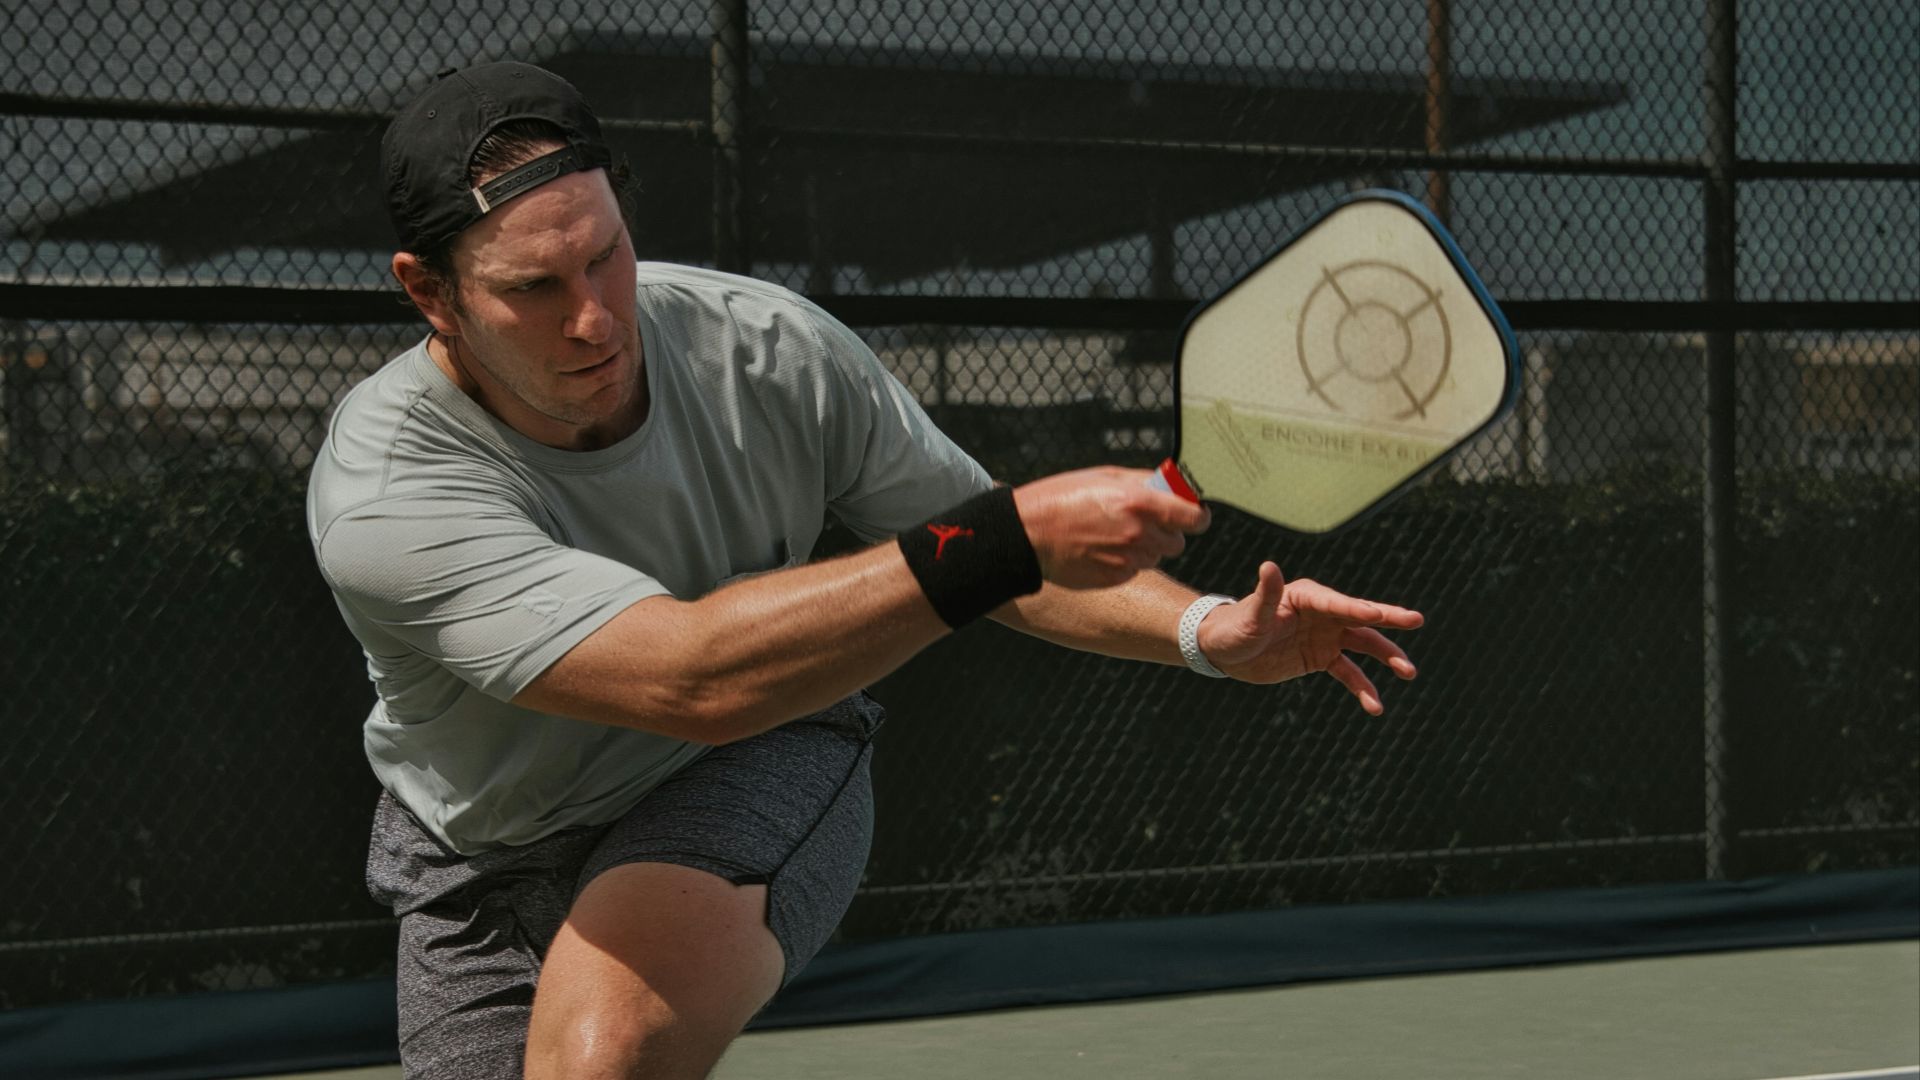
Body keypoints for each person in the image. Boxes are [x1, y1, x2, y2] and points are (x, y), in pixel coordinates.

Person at [307, 61, 1425, 1080]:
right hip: (476, 857)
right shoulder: (388, 492)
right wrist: (1004, 540)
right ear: (431, 292)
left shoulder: (769, 353)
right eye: (535, 288)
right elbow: (688, 674)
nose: (596, 317)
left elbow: (993, 563)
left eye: (606, 254)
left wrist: (1208, 629)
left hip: (749, 758)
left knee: (600, 1062)